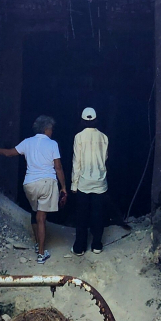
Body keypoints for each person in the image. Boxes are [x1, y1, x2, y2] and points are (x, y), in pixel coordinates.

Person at [0, 115, 67, 263]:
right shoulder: (52, 144)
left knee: (34, 213)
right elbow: (58, 167)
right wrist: (63, 187)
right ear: (46, 129)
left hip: (29, 184)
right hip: (46, 182)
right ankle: (42, 254)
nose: (52, 132)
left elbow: (9, 153)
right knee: (41, 217)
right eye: (51, 129)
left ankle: (38, 244)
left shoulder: (27, 142)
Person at [69, 106, 109, 255]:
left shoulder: (78, 137)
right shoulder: (104, 137)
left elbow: (76, 162)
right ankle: (97, 245)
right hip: (100, 183)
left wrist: (74, 184)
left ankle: (79, 247)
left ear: (82, 120)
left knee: (82, 216)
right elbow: (104, 159)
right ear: (96, 119)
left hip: (83, 183)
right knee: (98, 215)